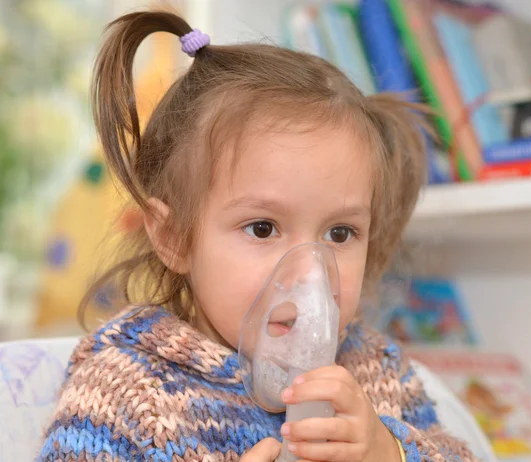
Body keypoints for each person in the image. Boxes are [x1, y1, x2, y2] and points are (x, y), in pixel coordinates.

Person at [38, 10, 475, 462]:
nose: (310, 274)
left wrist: (393, 453)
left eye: (340, 233)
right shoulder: (126, 392)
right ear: (173, 237)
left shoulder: (374, 369)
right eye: (263, 228)